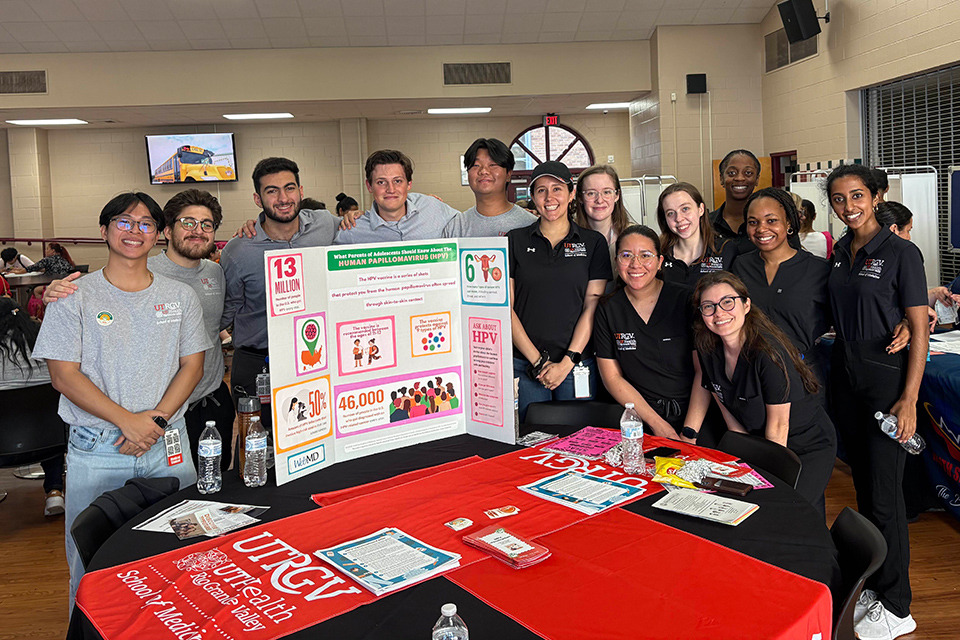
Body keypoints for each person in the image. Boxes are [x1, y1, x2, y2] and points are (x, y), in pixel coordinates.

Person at [32, 191, 207, 608]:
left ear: (159, 234)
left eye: (146, 224)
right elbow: (63, 376)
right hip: (98, 448)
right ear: (104, 231)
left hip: (168, 444)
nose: (135, 231)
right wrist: (128, 422)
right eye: (124, 222)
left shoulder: (181, 297)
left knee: (181, 555)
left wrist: (156, 422)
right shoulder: (72, 296)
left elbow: (192, 367)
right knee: (94, 563)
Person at [46, 189, 238, 471]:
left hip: (200, 405)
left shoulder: (213, 274)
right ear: (168, 231)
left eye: (206, 225)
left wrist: (155, 424)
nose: (197, 231)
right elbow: (63, 375)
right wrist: (136, 424)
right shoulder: (85, 292)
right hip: (116, 433)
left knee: (205, 497)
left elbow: (201, 351)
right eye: (188, 223)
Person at [825, 163, 927, 640]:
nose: (849, 206)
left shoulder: (900, 251)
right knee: (865, 491)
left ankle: (898, 604)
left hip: (886, 378)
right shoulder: (842, 250)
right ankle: (875, 582)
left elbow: (919, 326)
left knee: (887, 496)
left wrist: (908, 399)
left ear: (877, 195)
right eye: (840, 198)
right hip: (847, 374)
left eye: (858, 196)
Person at [693, 271, 837, 513]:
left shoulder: (768, 354)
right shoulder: (708, 348)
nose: (719, 313)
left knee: (788, 511)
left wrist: (769, 482)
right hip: (763, 441)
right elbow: (729, 413)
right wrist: (744, 461)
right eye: (709, 306)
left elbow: (779, 428)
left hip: (805, 443)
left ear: (746, 304)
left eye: (728, 302)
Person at [220, 157, 340, 430]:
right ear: (257, 198)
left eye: (289, 188)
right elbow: (225, 311)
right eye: (272, 191)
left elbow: (365, 228)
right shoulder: (239, 251)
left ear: (301, 190)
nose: (283, 198)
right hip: (257, 363)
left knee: (314, 433)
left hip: (315, 357)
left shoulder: (326, 226)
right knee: (259, 445)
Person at [507, 161, 611, 421]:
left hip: (577, 365)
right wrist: (539, 362)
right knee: (532, 443)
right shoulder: (514, 240)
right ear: (532, 197)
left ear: (571, 193)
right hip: (525, 365)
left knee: (580, 440)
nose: (549, 197)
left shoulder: (593, 243)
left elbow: (592, 306)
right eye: (541, 190)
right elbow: (504, 307)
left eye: (557, 189)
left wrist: (567, 362)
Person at [593, 225, 710, 442]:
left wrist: (689, 432)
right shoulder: (608, 309)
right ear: (617, 263)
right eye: (626, 255)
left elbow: (704, 372)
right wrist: (657, 425)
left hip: (696, 419)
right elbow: (612, 377)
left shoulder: (686, 300)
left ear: (659, 262)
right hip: (639, 420)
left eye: (645, 255)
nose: (635, 264)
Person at [731, 188, 831, 365]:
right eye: (753, 222)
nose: (762, 229)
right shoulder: (740, 266)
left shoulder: (818, 270)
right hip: (750, 369)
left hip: (804, 373)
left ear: (789, 223)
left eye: (771, 220)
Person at [0, 297, 64, 517]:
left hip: (2, 451)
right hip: (51, 445)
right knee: (51, 416)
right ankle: (55, 491)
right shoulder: (49, 351)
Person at [334, 149, 459, 244]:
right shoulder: (352, 230)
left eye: (397, 181)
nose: (391, 189)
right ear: (369, 186)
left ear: (409, 184)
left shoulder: (432, 207)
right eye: (381, 182)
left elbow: (468, 228)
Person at [442, 138, 536, 238]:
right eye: (475, 165)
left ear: (508, 174)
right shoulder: (456, 227)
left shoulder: (530, 224)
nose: (483, 171)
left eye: (492, 165)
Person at [657, 182, 737, 287]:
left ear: (701, 209)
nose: (679, 218)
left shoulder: (726, 250)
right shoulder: (659, 255)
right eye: (671, 213)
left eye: (685, 209)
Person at [710, 149, 762, 254]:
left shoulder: (767, 226)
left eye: (748, 173)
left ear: (757, 179)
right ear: (721, 178)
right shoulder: (706, 224)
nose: (739, 178)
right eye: (732, 173)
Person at [574, 164, 635, 249]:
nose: (599, 200)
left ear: (617, 195)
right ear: (580, 197)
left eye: (606, 192)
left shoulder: (634, 236)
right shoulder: (569, 238)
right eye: (591, 193)